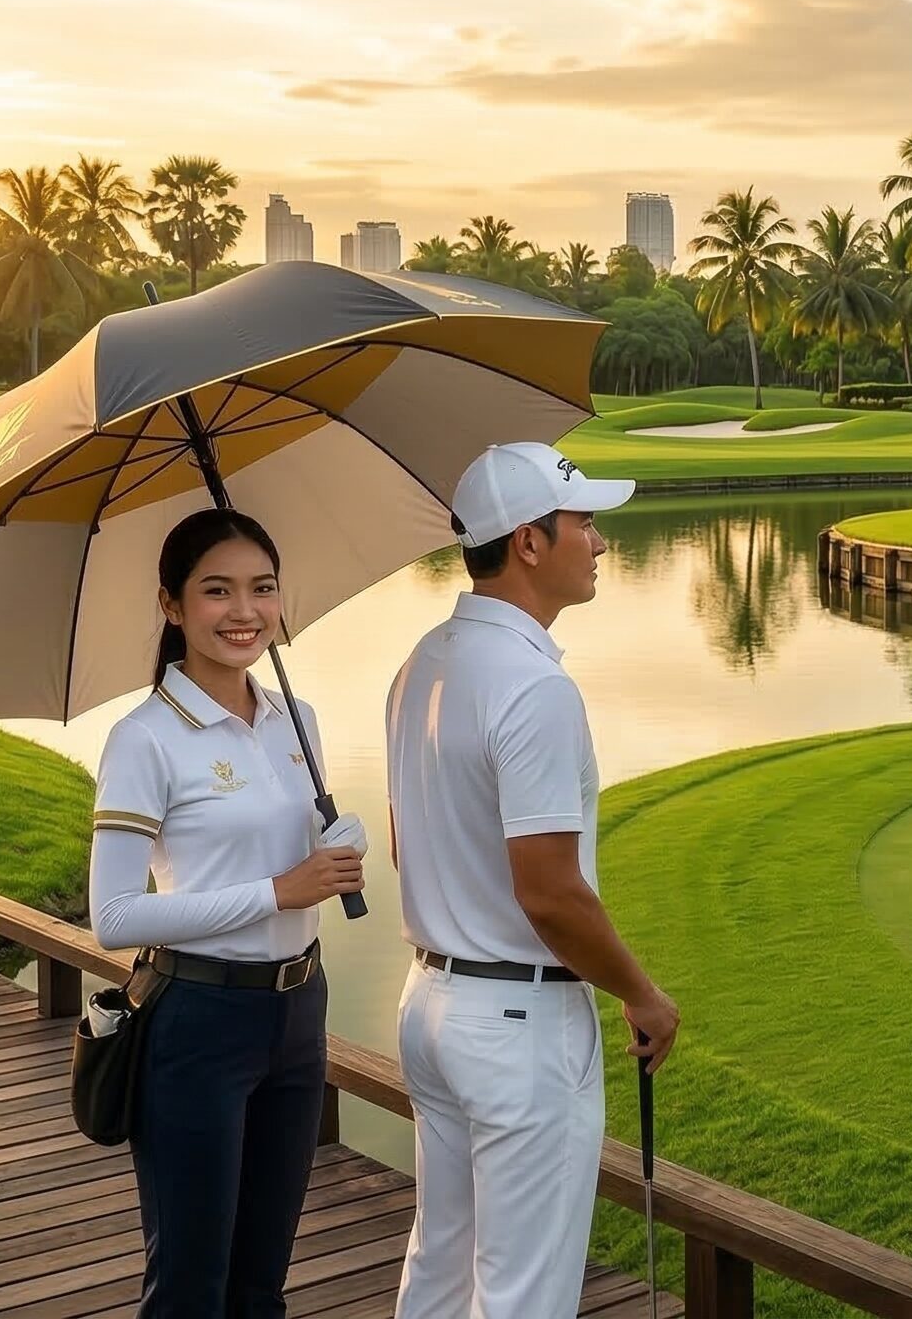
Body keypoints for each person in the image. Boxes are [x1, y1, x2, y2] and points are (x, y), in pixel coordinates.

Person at [388, 442, 681, 1319]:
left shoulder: (424, 661)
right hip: (517, 1027)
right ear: (528, 540)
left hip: (431, 1008)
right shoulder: (533, 688)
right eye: (585, 523)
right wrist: (642, 995)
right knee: (524, 1297)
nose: (598, 543)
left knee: (440, 1267)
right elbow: (550, 893)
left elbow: (411, 850)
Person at [87, 507, 368, 1318]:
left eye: (262, 588)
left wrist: (334, 840)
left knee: (260, 1285)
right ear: (172, 606)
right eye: (217, 590)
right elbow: (114, 915)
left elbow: (290, 858)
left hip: (298, 1009)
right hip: (198, 1021)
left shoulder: (296, 720)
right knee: (190, 1286)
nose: (244, 611)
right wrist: (281, 890)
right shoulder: (144, 739)